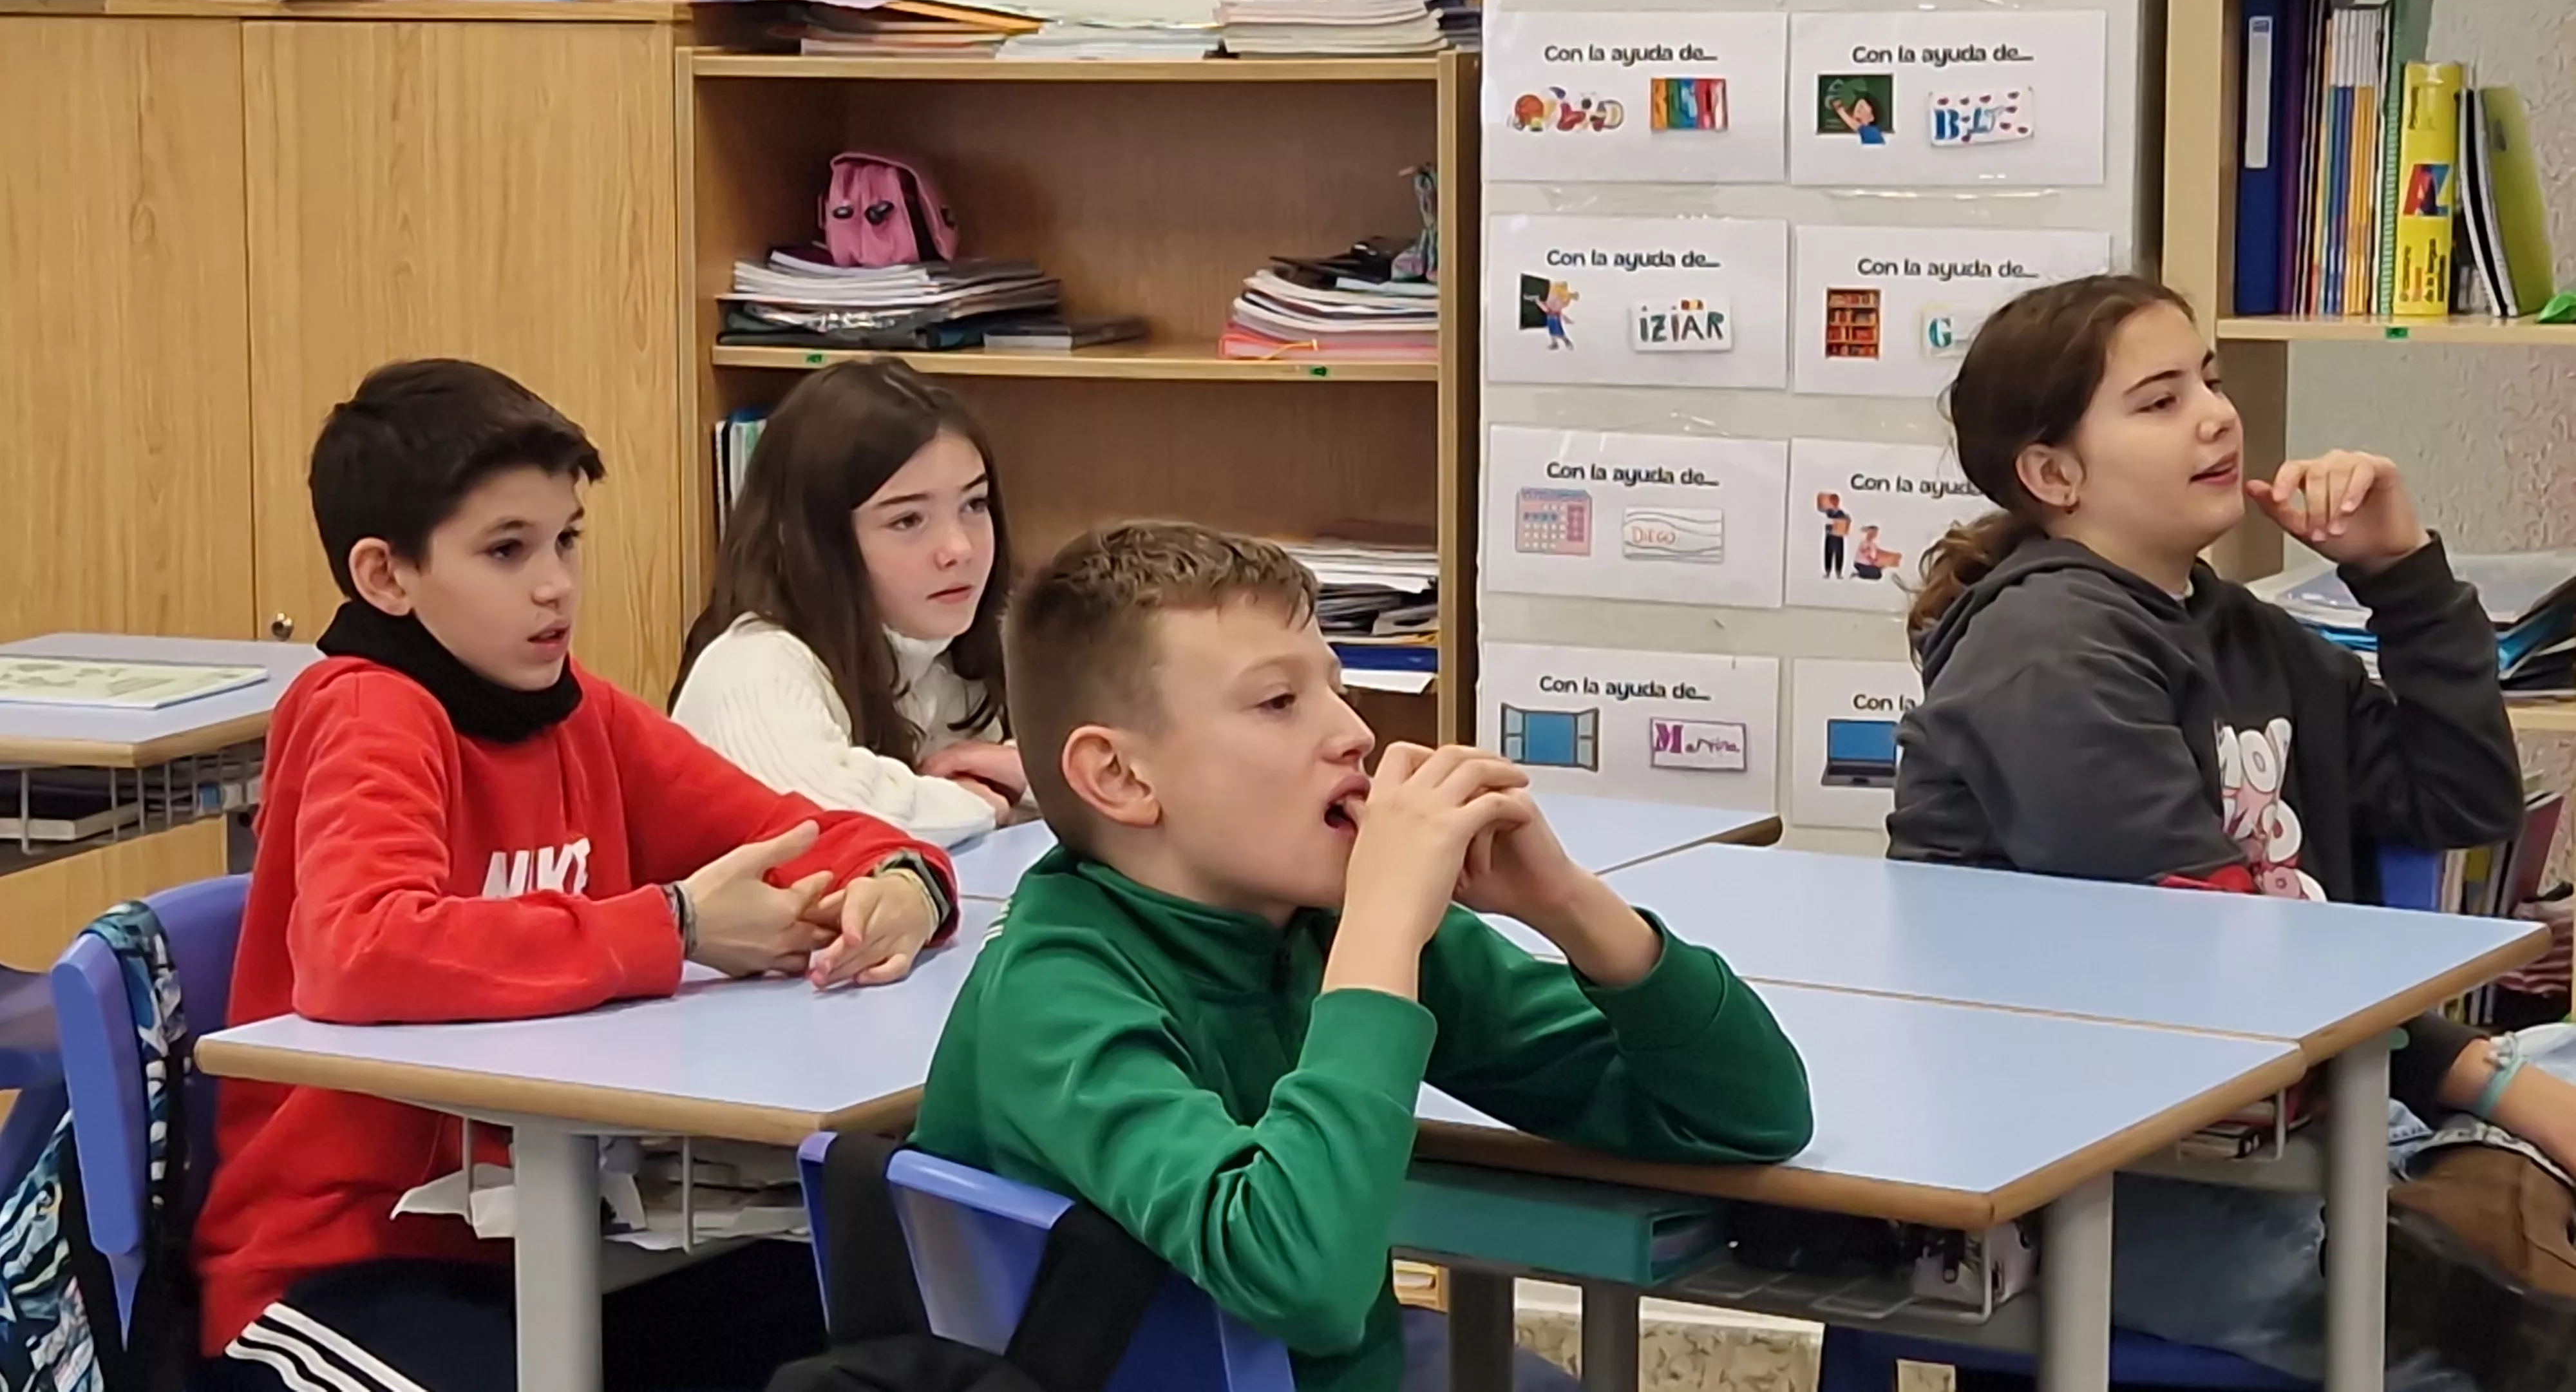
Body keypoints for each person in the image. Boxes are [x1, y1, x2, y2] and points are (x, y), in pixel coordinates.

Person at [194, 359, 961, 1392]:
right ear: (387, 577)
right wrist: (679, 927)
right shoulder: (370, 709)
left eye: (566, 540)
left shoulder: (578, 710)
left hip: (556, 1243)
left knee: (881, 1320)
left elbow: (800, 833)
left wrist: (907, 883)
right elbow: (357, 949)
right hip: (339, 1267)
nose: (555, 583)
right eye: (506, 552)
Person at [911, 521, 1814, 1392]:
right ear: (1120, 777)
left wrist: (1569, 904)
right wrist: (1384, 928)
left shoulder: (1318, 921)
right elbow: (1304, 1281)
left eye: (1334, 688)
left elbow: (1750, 1115)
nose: (1352, 732)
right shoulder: (1055, 990)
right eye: (1278, 702)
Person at [1888, 274, 2576, 1388]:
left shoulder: (2235, 624)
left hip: (2306, 1103)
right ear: (2053, 473)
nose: (2216, 413)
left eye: (2208, 379)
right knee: (2516, 1339)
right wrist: (2496, 1083)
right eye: (2158, 401)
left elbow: (2462, 804)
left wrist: (2399, 574)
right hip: (2119, 1174)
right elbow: (2217, 977)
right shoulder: (2047, 654)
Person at [671, 360, 1024, 849]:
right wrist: (978, 802)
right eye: (908, 521)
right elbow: (825, 816)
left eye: (974, 505)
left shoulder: (956, 646)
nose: (959, 549)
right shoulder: (752, 666)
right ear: (813, 542)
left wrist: (1029, 775)